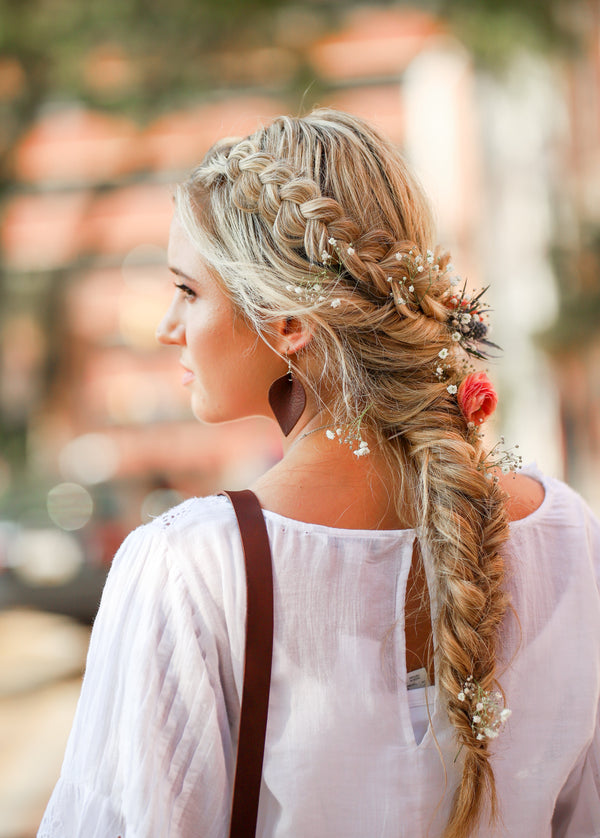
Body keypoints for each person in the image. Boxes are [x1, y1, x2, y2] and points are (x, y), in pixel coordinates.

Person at [38, 110, 600, 838]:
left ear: (287, 321)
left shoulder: (193, 568)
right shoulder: (568, 538)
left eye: (188, 291)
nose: (166, 328)